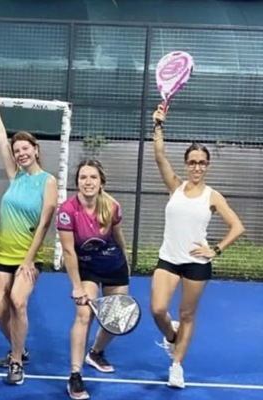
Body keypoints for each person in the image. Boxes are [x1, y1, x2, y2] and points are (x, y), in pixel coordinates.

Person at [151, 105, 244, 388]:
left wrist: (215, 249)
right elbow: (159, 156)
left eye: (202, 163)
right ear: (186, 164)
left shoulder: (212, 196)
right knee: (158, 310)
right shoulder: (175, 186)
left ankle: (177, 366)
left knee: (187, 315)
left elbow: (237, 227)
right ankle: (171, 337)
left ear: (208, 166)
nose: (197, 167)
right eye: (192, 162)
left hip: (196, 263)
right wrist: (158, 125)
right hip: (169, 259)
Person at [0, 87, 58, 385]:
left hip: (27, 256)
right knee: (0, 312)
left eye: (26, 148)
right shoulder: (15, 176)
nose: (21, 153)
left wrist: (28, 260)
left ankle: (15, 363)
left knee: (17, 302)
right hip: (0, 253)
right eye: (17, 150)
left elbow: (44, 224)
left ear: (36, 150)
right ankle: (19, 349)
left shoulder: (48, 181)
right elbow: (1, 137)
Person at [57, 159, 130, 400]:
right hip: (86, 268)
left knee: (115, 320)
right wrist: (77, 286)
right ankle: (75, 374)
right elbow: (69, 251)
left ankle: (96, 352)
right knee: (84, 314)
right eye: (83, 177)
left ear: (101, 182)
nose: (88, 182)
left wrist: (125, 261)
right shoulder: (67, 211)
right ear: (77, 182)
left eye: (93, 177)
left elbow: (118, 236)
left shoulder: (112, 206)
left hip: (113, 265)